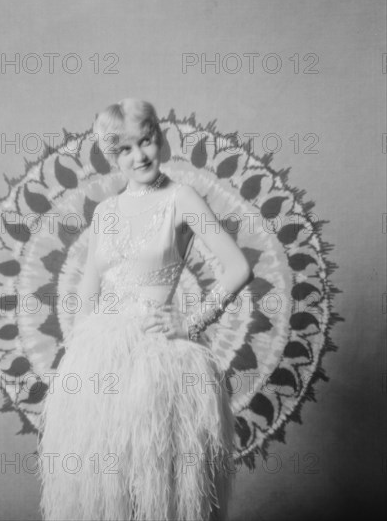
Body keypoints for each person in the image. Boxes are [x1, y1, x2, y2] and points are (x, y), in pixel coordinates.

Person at [37, 98, 253, 521]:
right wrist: (78, 357)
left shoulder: (181, 197)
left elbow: (238, 267)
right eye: (125, 149)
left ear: (160, 138)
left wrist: (191, 323)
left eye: (146, 141)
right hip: (101, 364)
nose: (139, 156)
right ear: (112, 156)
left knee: (161, 492)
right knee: (104, 492)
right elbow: (87, 289)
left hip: (161, 362)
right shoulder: (106, 212)